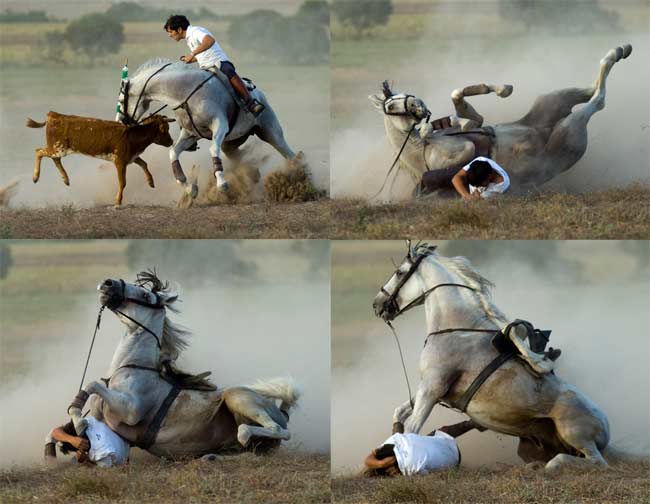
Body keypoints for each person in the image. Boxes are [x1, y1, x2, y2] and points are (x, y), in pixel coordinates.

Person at [163, 14, 265, 116]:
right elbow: (202, 54)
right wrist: (191, 59)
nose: (170, 35)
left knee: (228, 71)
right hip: (206, 68)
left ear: (180, 29)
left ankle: (251, 103)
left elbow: (209, 40)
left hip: (219, 63)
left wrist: (192, 54)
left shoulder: (195, 31)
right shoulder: (189, 39)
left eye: (171, 32)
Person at [364, 420, 483, 477]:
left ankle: (472, 424)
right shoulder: (395, 440)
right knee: (429, 438)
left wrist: (381, 464)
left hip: (456, 460)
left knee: (426, 446)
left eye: (389, 471)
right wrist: (380, 463)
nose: (393, 474)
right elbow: (368, 460)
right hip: (445, 441)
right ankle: (472, 423)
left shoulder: (410, 468)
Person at [45, 417, 130, 467]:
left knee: (74, 464)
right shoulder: (89, 422)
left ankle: (50, 467)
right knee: (74, 461)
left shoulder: (100, 454)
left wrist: (86, 461)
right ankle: (51, 466)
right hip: (119, 438)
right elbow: (55, 432)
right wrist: (72, 439)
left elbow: (104, 475)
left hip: (121, 452)